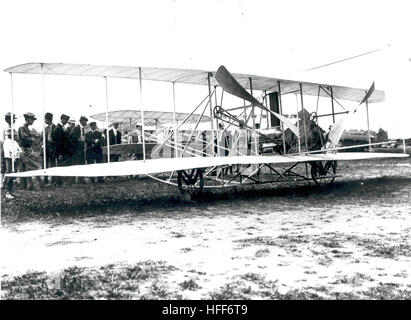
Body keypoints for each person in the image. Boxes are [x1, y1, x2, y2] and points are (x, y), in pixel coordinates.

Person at [18, 112, 42, 190]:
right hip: (24, 149)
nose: (33, 121)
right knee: (33, 166)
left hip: (27, 149)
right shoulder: (22, 128)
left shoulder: (27, 128)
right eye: (32, 119)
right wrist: (33, 139)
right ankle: (37, 184)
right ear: (27, 119)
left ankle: (30, 185)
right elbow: (25, 138)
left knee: (29, 167)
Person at [2, 128, 22, 200]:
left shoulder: (14, 142)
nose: (16, 136)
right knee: (9, 171)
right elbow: (10, 150)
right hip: (9, 158)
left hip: (15, 158)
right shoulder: (6, 141)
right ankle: (7, 190)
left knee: (13, 173)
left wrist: (18, 152)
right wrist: (15, 152)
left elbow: (19, 149)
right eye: (14, 135)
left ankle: (10, 191)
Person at [53, 114, 71, 185]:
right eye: (66, 120)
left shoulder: (61, 127)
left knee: (62, 166)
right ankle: (58, 182)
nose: (66, 121)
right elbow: (58, 142)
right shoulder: (58, 128)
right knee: (60, 166)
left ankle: (59, 182)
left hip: (62, 151)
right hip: (60, 152)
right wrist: (59, 153)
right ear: (62, 119)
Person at [69, 116, 88, 183]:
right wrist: (78, 140)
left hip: (81, 149)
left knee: (82, 163)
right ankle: (74, 180)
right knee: (77, 164)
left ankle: (81, 179)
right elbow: (71, 136)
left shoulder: (82, 128)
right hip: (77, 150)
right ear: (81, 121)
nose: (86, 122)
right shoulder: (76, 128)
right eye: (85, 121)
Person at [42, 112, 57, 184]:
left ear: (49, 119)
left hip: (53, 149)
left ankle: (53, 181)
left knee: (53, 164)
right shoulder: (45, 128)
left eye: (45, 119)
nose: (44, 121)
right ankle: (45, 181)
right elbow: (42, 138)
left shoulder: (56, 128)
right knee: (44, 165)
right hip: (46, 149)